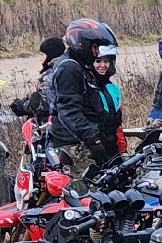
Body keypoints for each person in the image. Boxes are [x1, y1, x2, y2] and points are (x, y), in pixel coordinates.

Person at [43, 18, 124, 176]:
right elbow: (69, 111)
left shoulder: (80, 67)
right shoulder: (69, 68)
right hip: (75, 145)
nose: (96, 52)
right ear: (82, 43)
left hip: (84, 142)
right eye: (94, 47)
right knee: (88, 194)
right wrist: (93, 141)